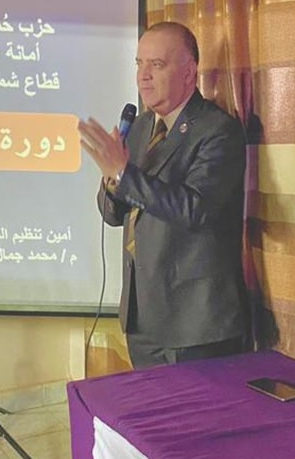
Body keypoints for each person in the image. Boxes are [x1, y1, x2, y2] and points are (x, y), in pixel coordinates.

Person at [78, 21, 250, 368]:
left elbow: (194, 209)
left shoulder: (218, 131)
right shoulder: (141, 127)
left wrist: (123, 173)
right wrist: (112, 180)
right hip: (143, 316)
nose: (143, 77)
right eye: (139, 64)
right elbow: (113, 215)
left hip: (195, 325)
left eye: (156, 65)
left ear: (189, 72)